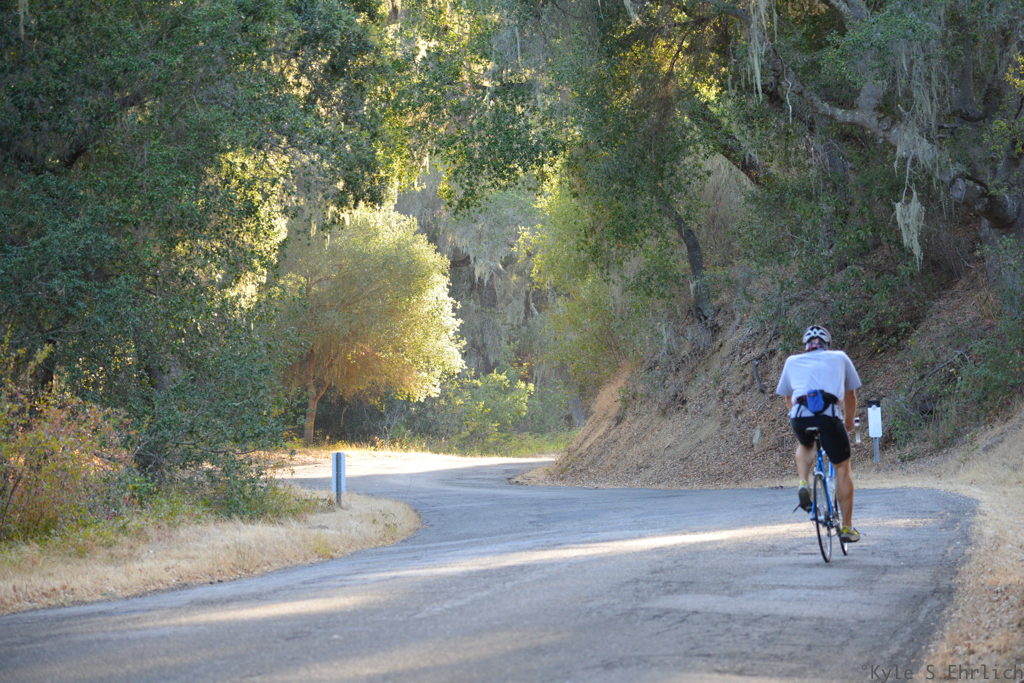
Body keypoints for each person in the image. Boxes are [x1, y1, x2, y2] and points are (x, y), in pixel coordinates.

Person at [775, 325, 863, 543]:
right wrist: (848, 422)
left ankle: (803, 483)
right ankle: (847, 528)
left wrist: (797, 418)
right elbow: (850, 395)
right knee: (842, 467)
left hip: (799, 415)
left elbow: (788, 397)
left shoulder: (792, 361)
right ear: (826, 344)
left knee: (806, 445)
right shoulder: (839, 357)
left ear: (806, 345)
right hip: (828, 416)